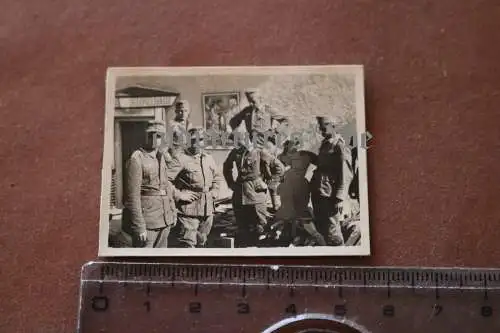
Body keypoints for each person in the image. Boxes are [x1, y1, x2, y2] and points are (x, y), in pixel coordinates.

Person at [121, 120, 199, 248]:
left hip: (164, 219)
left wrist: (172, 212)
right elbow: (132, 198)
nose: (156, 139)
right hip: (148, 222)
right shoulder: (137, 159)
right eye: (152, 135)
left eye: (159, 136)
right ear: (146, 136)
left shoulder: (161, 157)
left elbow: (166, 186)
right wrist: (139, 226)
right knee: (145, 263)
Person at [223, 130, 283, 247]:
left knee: (260, 225)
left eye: (238, 140)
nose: (237, 143)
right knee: (242, 226)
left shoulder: (260, 152)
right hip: (240, 194)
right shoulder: (235, 152)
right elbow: (227, 167)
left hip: (256, 194)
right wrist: (231, 183)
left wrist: (270, 184)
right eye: (235, 141)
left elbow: (279, 167)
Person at [168, 128, 224, 248]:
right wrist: (179, 195)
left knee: (202, 242)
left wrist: (215, 190)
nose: (197, 143)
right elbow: (164, 180)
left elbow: (217, 177)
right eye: (193, 140)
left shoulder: (209, 158)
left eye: (201, 139)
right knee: (188, 244)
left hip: (207, 210)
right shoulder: (180, 159)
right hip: (188, 211)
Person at [310, 116, 354, 246]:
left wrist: (340, 197)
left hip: (330, 195)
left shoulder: (339, 145)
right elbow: (322, 163)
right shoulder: (326, 143)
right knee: (321, 225)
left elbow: (346, 173)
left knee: (332, 229)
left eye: (324, 127)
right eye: (320, 127)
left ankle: (339, 255)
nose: (321, 130)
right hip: (320, 191)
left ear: (333, 126)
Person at [274, 138, 326, 246]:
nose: (295, 147)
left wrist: (313, 178)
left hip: (300, 188)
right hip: (288, 188)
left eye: (297, 144)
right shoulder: (282, 156)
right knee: (291, 213)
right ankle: (292, 238)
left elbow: (321, 165)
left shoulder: (306, 155)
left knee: (302, 213)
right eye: (292, 145)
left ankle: (320, 240)